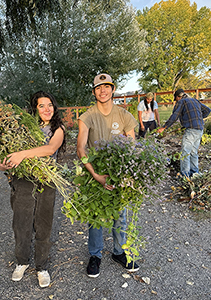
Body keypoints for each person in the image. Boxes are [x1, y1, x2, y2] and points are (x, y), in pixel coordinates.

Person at [0, 91, 65, 288]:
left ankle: (41, 266)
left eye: (50, 105)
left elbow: (50, 149)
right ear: (34, 109)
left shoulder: (57, 129)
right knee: (21, 223)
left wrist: (21, 154)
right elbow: (6, 157)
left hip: (47, 181)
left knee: (43, 224)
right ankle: (22, 261)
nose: (47, 109)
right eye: (41, 106)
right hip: (23, 181)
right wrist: (4, 164)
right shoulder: (23, 129)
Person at [77, 73, 140, 278]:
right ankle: (95, 255)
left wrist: (124, 174)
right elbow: (81, 148)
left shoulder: (124, 115)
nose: (102, 91)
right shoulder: (87, 116)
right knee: (95, 215)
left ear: (113, 89)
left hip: (119, 173)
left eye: (106, 87)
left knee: (119, 214)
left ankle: (119, 252)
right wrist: (95, 174)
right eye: (98, 87)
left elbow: (132, 145)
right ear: (94, 92)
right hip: (95, 172)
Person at [157, 89, 211, 177]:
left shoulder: (182, 101)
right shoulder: (194, 100)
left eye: (176, 99)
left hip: (191, 130)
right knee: (194, 152)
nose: (176, 101)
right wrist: (199, 118)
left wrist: (164, 127)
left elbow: (175, 116)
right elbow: (207, 110)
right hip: (200, 129)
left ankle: (185, 175)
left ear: (178, 97)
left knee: (185, 153)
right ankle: (194, 173)